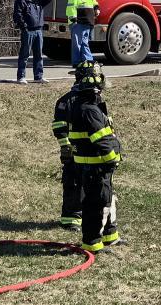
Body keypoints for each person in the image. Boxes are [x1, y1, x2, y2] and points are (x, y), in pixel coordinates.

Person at [51, 60, 123, 252]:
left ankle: (110, 235)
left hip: (96, 162)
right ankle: (88, 237)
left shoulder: (91, 104)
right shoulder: (83, 106)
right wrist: (112, 157)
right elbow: (100, 137)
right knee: (90, 198)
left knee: (106, 200)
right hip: (92, 161)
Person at [12, 0, 53, 84]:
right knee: (24, 54)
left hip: (38, 30)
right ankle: (21, 77)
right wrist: (24, 27)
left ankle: (38, 77)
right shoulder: (21, 0)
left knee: (38, 55)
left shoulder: (38, 1)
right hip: (28, 31)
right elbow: (17, 15)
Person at [66, 0, 99, 65]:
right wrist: (73, 19)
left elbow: (95, 3)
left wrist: (96, 9)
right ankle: (76, 63)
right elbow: (71, 7)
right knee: (77, 44)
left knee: (85, 43)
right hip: (78, 23)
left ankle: (88, 61)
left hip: (87, 23)